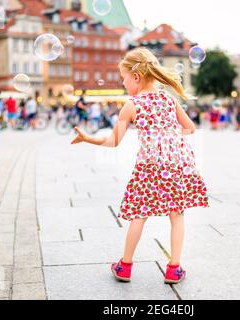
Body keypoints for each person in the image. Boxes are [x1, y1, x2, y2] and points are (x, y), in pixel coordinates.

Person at [70, 48, 209, 284]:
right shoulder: (168, 99)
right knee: (177, 214)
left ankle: (124, 266)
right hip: (177, 163)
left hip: (149, 165)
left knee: (139, 214)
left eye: (124, 79)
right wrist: (170, 137)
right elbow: (190, 128)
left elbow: (113, 141)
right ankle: (174, 269)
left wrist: (87, 138)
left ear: (135, 77)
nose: (124, 84)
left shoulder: (132, 105)